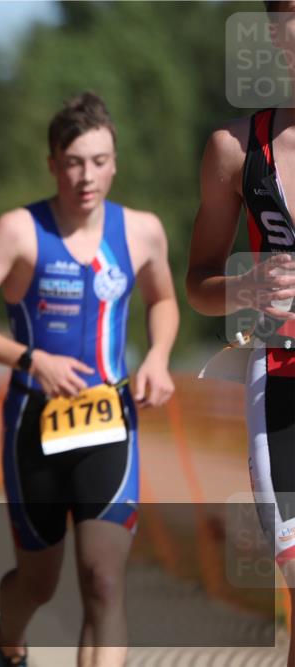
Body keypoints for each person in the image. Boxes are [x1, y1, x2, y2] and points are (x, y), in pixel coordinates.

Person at [0, 92, 178, 667]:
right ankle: (7, 637)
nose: (86, 176)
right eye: (73, 162)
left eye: (98, 161)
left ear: (115, 162)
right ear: (52, 164)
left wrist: (158, 357)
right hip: (34, 426)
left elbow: (164, 300)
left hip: (109, 422)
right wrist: (32, 360)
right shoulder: (18, 231)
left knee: (103, 582)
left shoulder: (142, 231)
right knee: (38, 584)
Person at [186, 5, 295, 663]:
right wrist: (248, 286)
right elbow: (199, 282)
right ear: (275, 35)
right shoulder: (236, 149)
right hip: (283, 380)